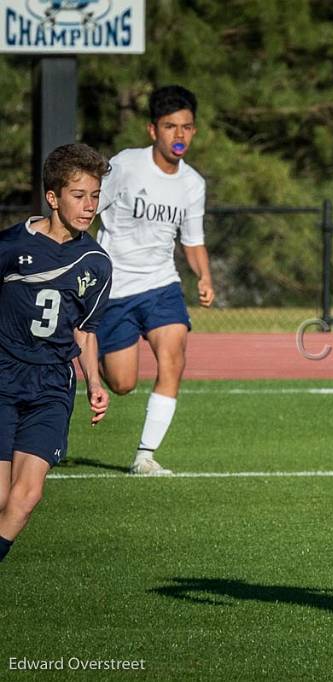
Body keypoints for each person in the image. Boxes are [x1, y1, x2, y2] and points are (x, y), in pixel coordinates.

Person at [0, 144, 113, 562]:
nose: (89, 206)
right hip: (4, 374)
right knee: (0, 496)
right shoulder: (11, 245)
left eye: (95, 195)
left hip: (51, 385)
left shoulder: (96, 262)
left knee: (26, 498)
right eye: (79, 195)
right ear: (53, 197)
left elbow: (85, 331)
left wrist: (95, 382)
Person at [96, 85, 215, 476]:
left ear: (194, 131)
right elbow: (88, 206)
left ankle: (145, 456)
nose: (179, 135)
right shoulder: (126, 165)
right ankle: (88, 356)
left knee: (174, 355)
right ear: (152, 130)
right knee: (123, 383)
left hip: (161, 284)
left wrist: (204, 276)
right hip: (115, 287)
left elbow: (192, 241)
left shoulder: (193, 184)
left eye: (186, 127)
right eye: (170, 127)